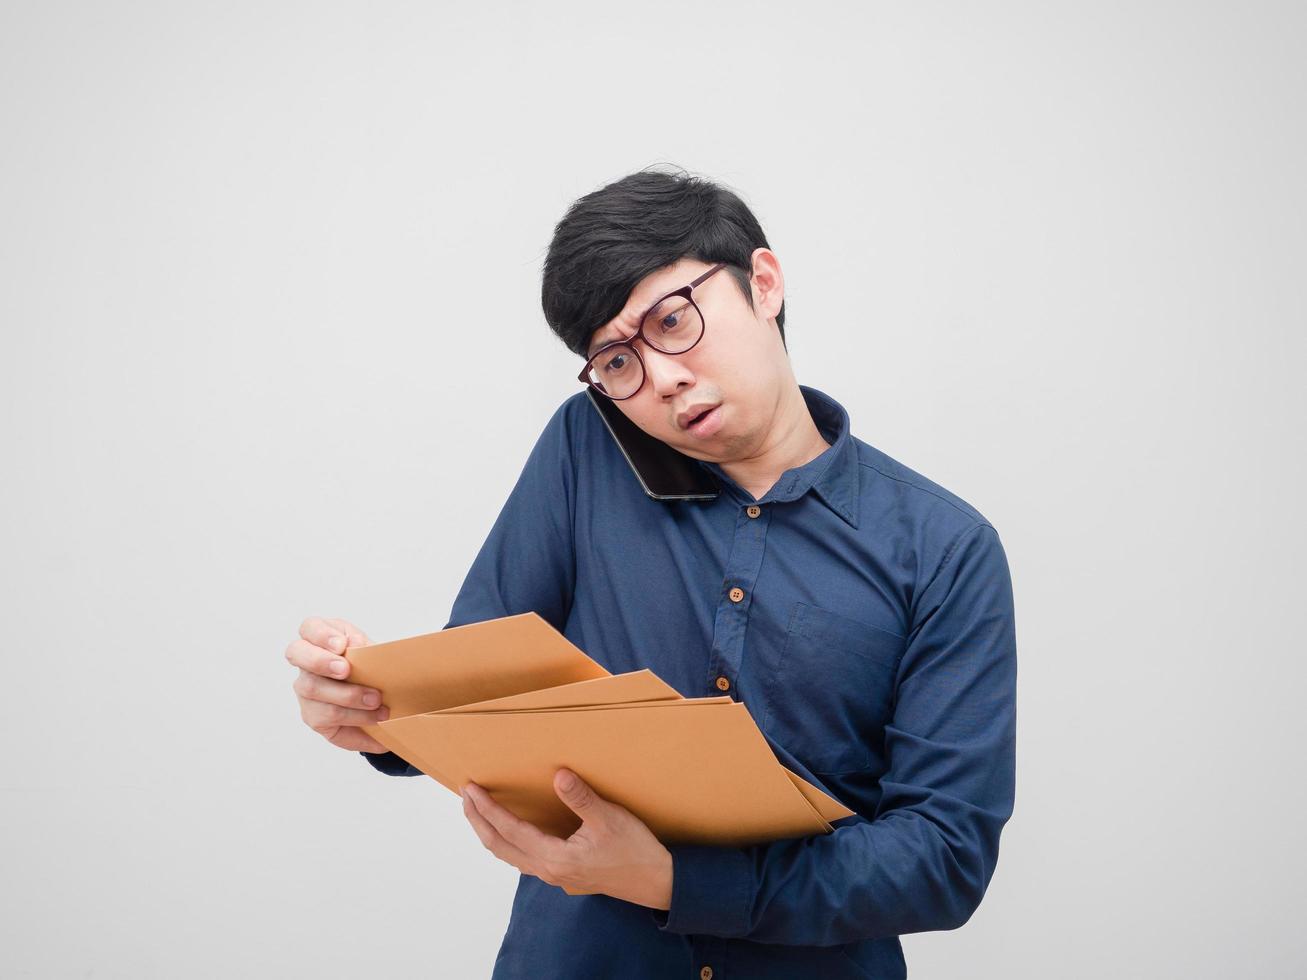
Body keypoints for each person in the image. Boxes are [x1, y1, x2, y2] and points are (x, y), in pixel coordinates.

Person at [286, 166, 1017, 979]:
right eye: (616, 362)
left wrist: (675, 881)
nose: (661, 379)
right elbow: (478, 688)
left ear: (762, 284)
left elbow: (943, 859)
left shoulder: (943, 548)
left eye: (673, 321)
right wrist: (371, 708)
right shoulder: (585, 447)